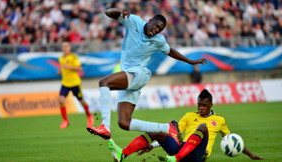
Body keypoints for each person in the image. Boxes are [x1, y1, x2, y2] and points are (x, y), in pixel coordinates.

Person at [86, 8, 208, 140]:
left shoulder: (159, 40)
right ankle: (167, 128)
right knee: (124, 123)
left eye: (160, 29)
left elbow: (170, 51)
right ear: (149, 21)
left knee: (104, 83)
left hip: (139, 73)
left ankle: (105, 126)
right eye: (156, 26)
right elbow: (108, 13)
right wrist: (119, 11)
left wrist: (190, 61)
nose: (157, 30)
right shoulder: (133, 21)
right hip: (130, 75)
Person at [108, 89, 263, 162]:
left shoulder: (220, 120)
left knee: (203, 127)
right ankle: (123, 154)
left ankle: (176, 159)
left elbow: (231, 139)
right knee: (157, 132)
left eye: (204, 105)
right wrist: (154, 145)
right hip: (182, 149)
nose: (200, 108)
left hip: (198, 156)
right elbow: (173, 132)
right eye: (199, 105)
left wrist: (250, 154)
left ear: (211, 105)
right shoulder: (189, 116)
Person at [58, 42, 94, 129]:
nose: (65, 48)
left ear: (69, 48)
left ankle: (89, 116)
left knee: (81, 101)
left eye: (66, 46)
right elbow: (63, 68)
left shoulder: (73, 57)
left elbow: (79, 68)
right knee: (61, 100)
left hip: (75, 83)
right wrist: (60, 71)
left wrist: (68, 67)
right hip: (65, 83)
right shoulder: (61, 58)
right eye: (63, 46)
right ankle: (65, 120)